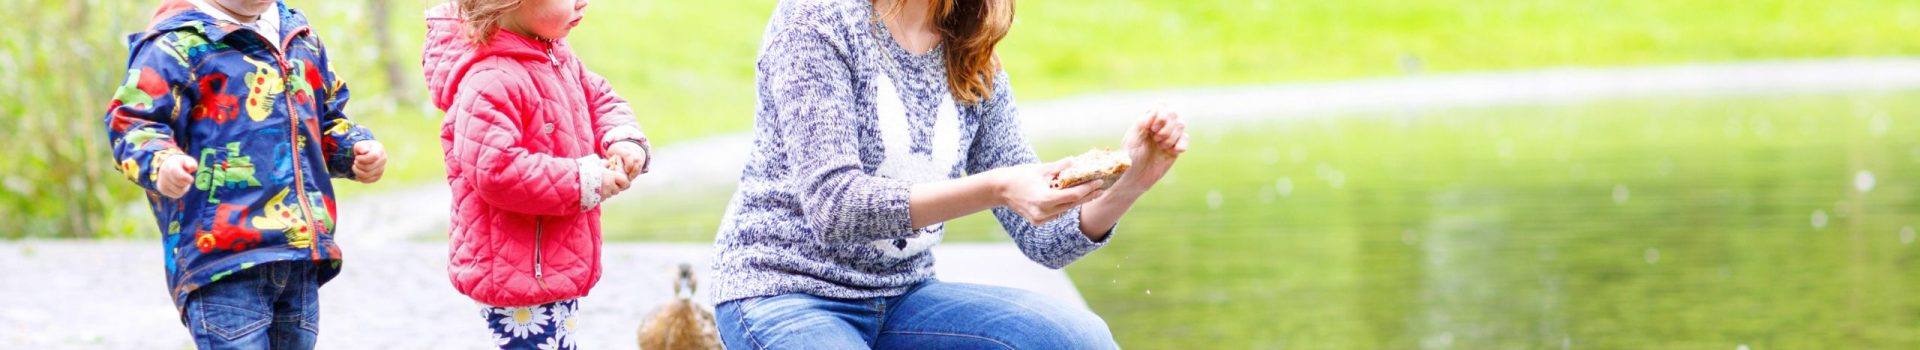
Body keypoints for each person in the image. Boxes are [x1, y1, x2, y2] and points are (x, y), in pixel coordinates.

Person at [709, 0, 1191, 348]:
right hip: (784, 291)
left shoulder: (973, 54)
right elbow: (836, 206)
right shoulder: (815, 20)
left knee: (1080, 339)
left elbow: (1044, 239)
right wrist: (998, 188)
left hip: (904, 297)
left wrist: (1130, 181)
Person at [102, 0, 386, 348]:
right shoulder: (178, 43)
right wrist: (161, 161)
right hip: (222, 258)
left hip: (298, 252)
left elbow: (325, 116)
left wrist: (353, 149)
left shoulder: (299, 37)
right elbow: (133, 122)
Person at [422, 0, 652, 348]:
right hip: (516, 274)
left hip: (549, 264)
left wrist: (622, 137)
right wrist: (585, 180)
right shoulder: (491, 78)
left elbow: (599, 97)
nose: (581, 2)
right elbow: (497, 170)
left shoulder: (553, 55)